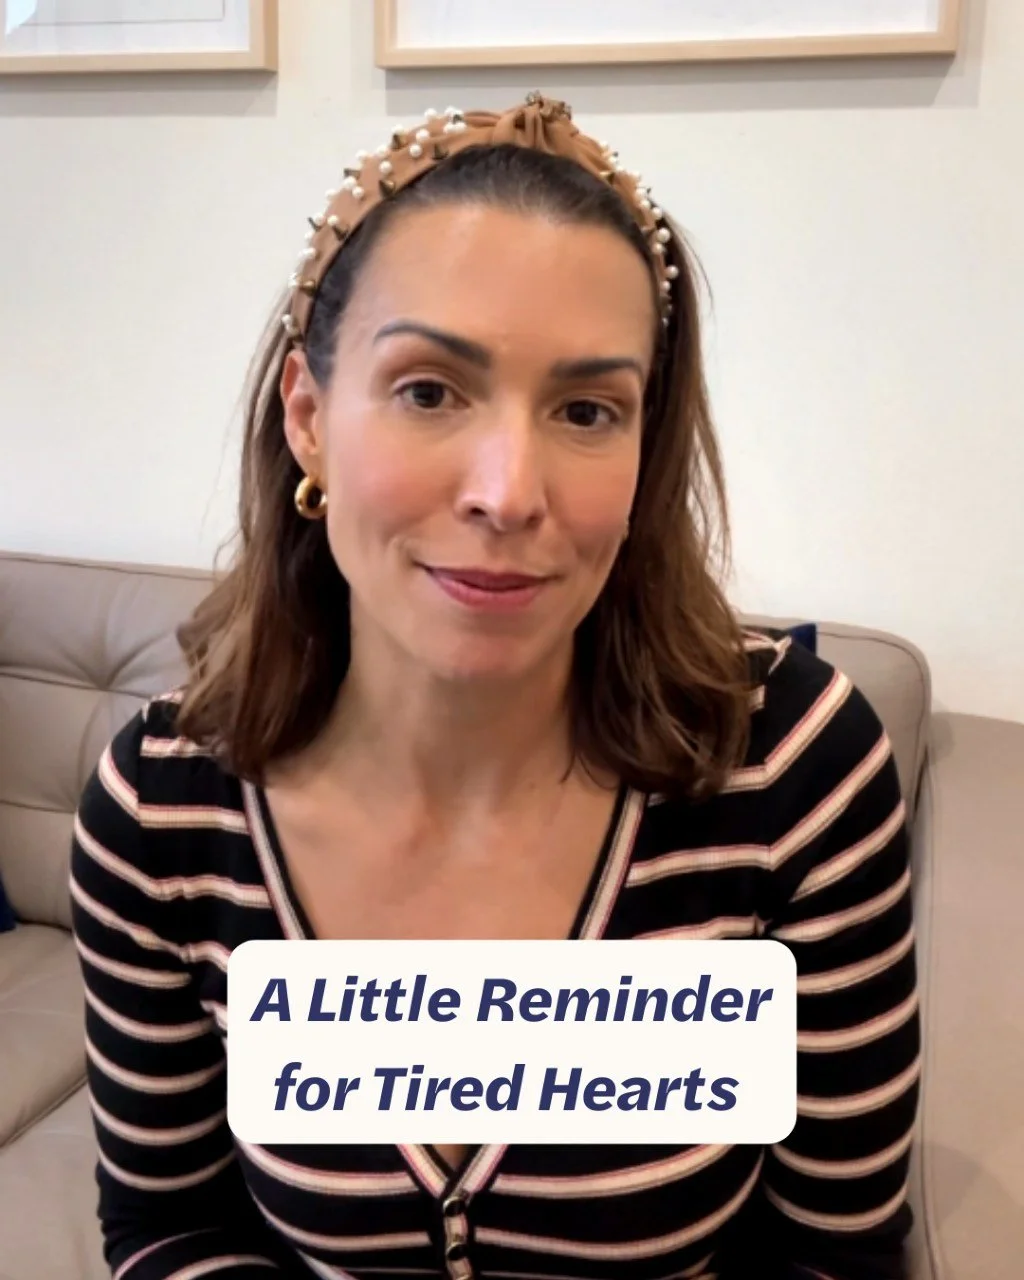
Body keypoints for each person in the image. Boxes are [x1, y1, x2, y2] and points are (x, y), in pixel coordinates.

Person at [70, 93, 920, 1280]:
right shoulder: (164, 811)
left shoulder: (789, 768)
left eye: (586, 409)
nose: (508, 491)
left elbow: (835, 1246)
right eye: (428, 390)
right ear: (308, 416)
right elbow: (172, 1225)